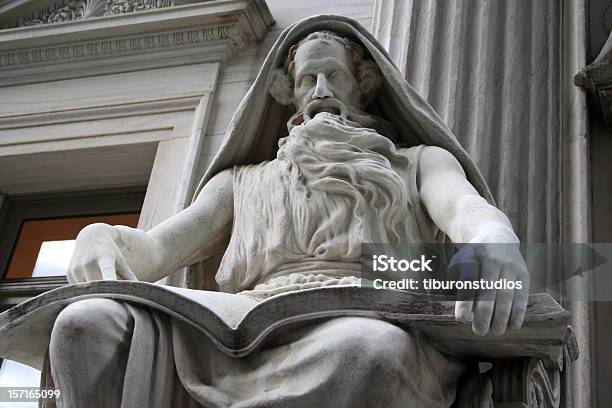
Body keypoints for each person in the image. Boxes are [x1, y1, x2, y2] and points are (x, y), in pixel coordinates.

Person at [13, 16, 530, 408]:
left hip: (368, 306)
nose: (323, 93)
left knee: (364, 348)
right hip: (243, 319)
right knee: (88, 321)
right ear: (289, 95)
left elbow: (464, 207)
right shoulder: (240, 182)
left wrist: (493, 236)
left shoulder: (417, 163)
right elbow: (157, 250)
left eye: (335, 76)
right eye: (308, 81)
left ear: (364, 82)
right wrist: (103, 235)